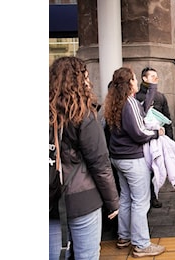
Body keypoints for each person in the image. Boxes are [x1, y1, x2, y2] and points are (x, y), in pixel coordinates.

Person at [49, 56, 120, 260]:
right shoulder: (83, 114)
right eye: (86, 77)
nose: (89, 82)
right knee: (86, 256)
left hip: (49, 199)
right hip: (82, 198)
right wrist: (112, 202)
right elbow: (99, 163)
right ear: (78, 81)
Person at [104, 66, 166, 257]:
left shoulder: (115, 102)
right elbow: (139, 132)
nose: (137, 83)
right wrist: (157, 132)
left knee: (126, 197)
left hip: (118, 158)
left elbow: (143, 110)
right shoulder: (129, 102)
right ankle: (141, 244)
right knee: (140, 201)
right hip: (132, 159)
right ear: (129, 83)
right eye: (134, 80)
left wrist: (152, 87)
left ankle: (124, 237)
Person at [136, 66, 173, 209]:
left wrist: (169, 139)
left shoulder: (160, 97)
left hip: (159, 138)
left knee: (156, 168)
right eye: (152, 77)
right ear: (144, 78)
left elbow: (168, 119)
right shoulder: (136, 97)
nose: (155, 79)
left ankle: (154, 195)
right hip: (144, 138)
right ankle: (149, 197)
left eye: (156, 77)